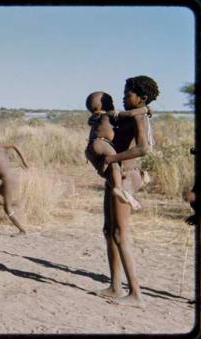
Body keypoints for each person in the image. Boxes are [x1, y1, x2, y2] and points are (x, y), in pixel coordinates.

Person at [89, 75, 159, 308]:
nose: (124, 97)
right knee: (108, 230)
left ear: (142, 98)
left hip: (128, 177)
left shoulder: (140, 117)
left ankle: (136, 294)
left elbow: (144, 148)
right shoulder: (134, 114)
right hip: (118, 175)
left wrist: (112, 157)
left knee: (120, 234)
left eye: (128, 94)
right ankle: (115, 286)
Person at [85, 91, 151, 210]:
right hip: (102, 144)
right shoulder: (108, 114)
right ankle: (118, 189)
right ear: (106, 104)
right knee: (113, 162)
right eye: (111, 101)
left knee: (109, 172)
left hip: (91, 149)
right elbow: (130, 113)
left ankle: (120, 189)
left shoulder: (95, 118)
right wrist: (145, 110)